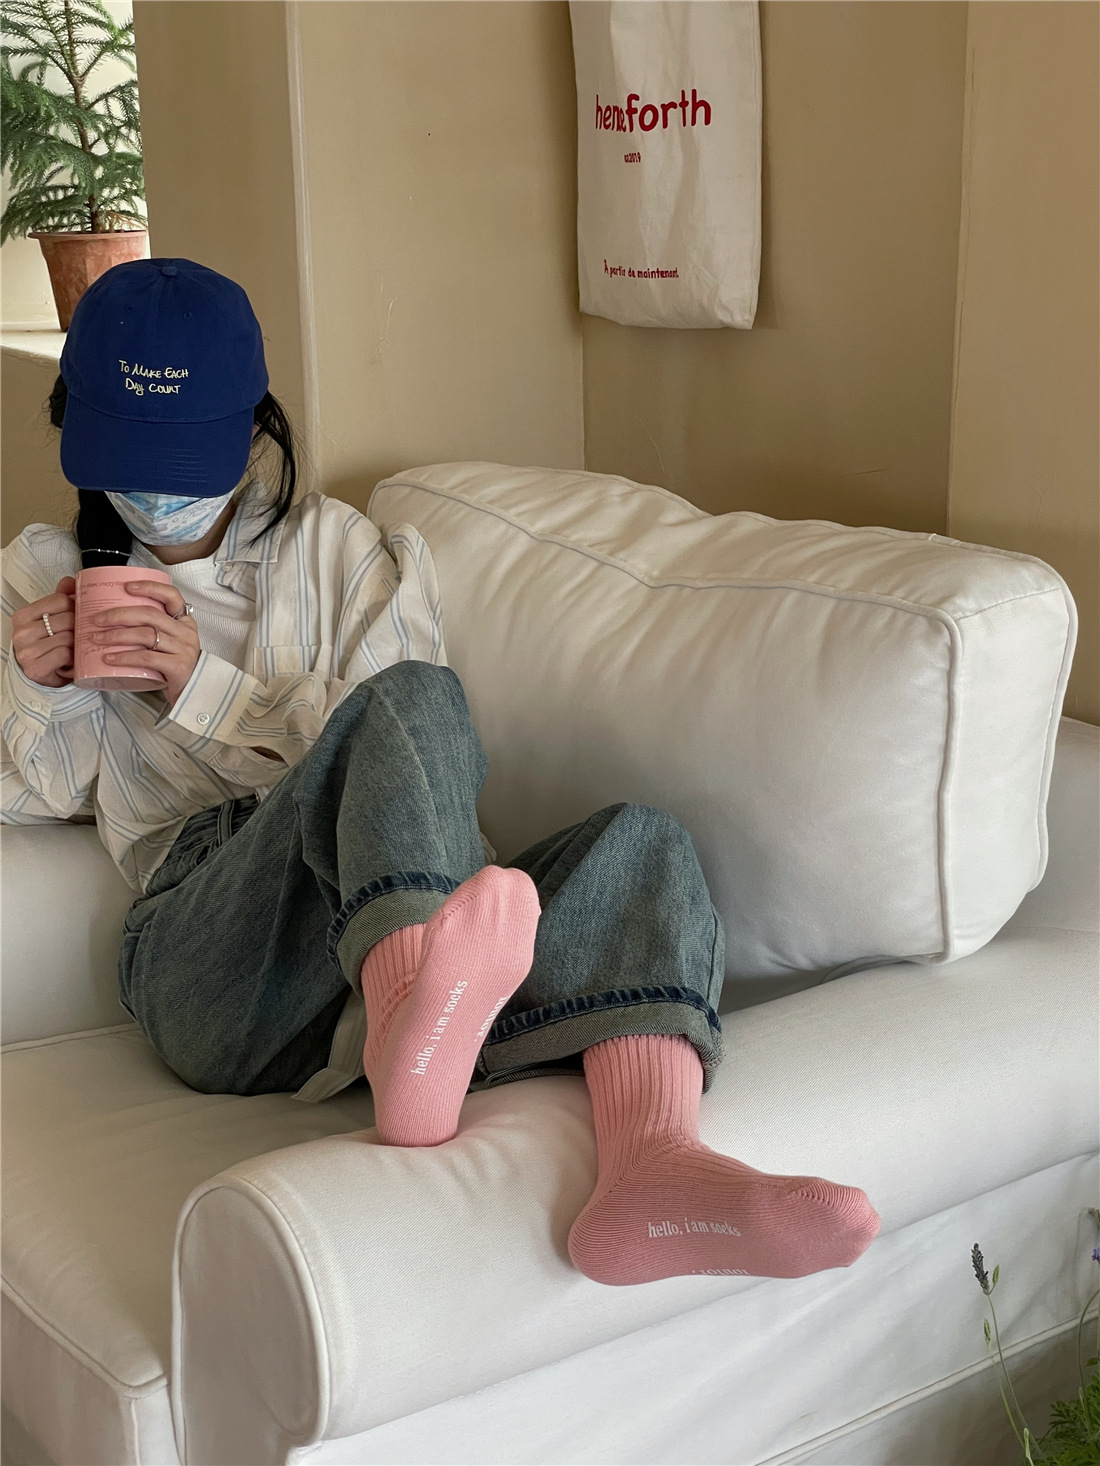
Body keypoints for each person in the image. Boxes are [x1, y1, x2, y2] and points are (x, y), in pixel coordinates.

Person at [1, 259, 879, 1286]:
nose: (155, 492)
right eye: (128, 455)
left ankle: (650, 1163)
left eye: (182, 455)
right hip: (216, 962)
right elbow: (29, 796)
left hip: (419, 924)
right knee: (399, 719)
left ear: (250, 428)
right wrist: (36, 687)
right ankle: (409, 1026)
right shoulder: (42, 574)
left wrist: (207, 688)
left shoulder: (341, 552)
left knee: (641, 838)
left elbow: (410, 747)